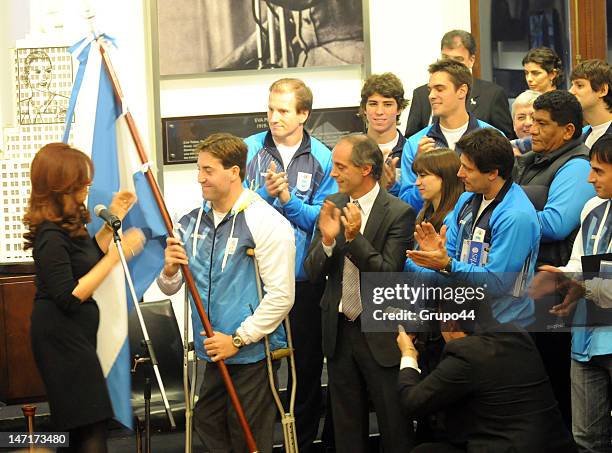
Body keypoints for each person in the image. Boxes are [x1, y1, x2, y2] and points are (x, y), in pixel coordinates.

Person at [158, 133, 295, 453]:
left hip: (250, 353)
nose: (199, 177)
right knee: (207, 419)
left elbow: (281, 296)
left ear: (234, 172)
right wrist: (168, 270)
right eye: (199, 169)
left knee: (244, 432)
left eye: (208, 170)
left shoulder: (266, 221)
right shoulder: (190, 221)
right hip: (212, 350)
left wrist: (237, 339)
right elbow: (170, 287)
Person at [23, 143, 145, 453]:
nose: (86, 186)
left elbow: (87, 257)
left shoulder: (66, 228)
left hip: (74, 340)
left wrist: (115, 216)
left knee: (88, 423)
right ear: (60, 186)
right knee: (89, 423)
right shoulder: (49, 236)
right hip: (61, 344)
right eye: (80, 181)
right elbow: (70, 295)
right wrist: (118, 255)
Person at [304, 134, 416, 453]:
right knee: (346, 427)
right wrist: (327, 241)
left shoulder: (398, 212)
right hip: (339, 330)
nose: (334, 174)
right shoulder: (333, 206)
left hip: (380, 332)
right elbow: (311, 272)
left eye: (340, 167)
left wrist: (354, 239)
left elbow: (388, 274)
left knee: (394, 423)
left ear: (366, 169)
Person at [243, 78, 335, 452]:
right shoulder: (249, 151)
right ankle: (260, 443)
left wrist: (287, 199)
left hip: (304, 280)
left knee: (307, 368)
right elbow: (235, 208)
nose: (274, 118)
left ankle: (303, 442)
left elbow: (324, 219)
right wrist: (266, 193)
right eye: (270, 110)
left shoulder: (323, 157)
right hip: (255, 280)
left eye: (283, 111)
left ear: (303, 114)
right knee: (260, 370)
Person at [396, 299, 577, 452]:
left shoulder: (464, 353)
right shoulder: (517, 335)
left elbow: (412, 402)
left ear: (450, 323)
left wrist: (408, 353)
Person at [406, 128, 540, 328]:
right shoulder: (466, 199)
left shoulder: (515, 216)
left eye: (467, 169)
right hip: (465, 318)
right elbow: (450, 259)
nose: (459, 174)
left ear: (493, 173)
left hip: (503, 328)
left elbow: (496, 283)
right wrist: (432, 259)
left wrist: (447, 265)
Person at [529, 135, 612, 452]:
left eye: (599, 171)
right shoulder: (592, 207)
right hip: (586, 339)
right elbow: (579, 262)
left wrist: (582, 285)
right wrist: (559, 278)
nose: (590, 179)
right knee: (586, 440)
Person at [399, 59, 497, 212]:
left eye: (440, 89)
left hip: (478, 227)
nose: (431, 95)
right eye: (430, 90)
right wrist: (423, 168)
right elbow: (407, 206)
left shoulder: (492, 138)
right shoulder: (415, 143)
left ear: (462, 91)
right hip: (430, 229)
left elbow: (501, 191)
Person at [405, 29, 514, 139]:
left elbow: (507, 142)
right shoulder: (422, 94)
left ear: (471, 60)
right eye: (446, 58)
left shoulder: (492, 94)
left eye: (458, 59)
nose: (450, 65)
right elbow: (411, 139)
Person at [360, 72, 410, 196]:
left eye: (387, 104)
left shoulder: (411, 151)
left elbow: (417, 203)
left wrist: (394, 187)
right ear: (364, 108)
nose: (379, 111)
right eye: (373, 104)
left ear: (399, 109)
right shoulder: (350, 150)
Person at [569, 59, 612, 149]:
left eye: (579, 85)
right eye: (572, 85)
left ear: (602, 90)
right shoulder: (581, 134)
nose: (571, 91)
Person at [19, 50, 69, 125]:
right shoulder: (20, 106)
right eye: (38, 72)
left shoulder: (65, 103)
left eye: (48, 71)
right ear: (27, 75)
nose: (44, 77)